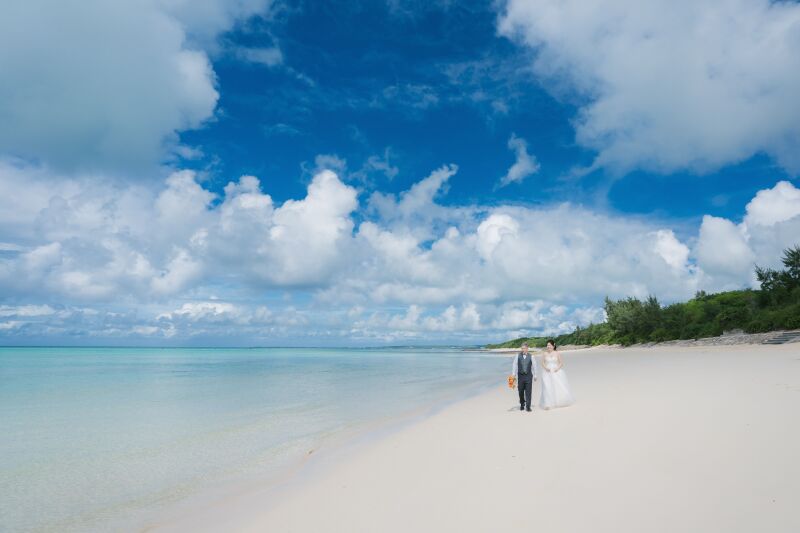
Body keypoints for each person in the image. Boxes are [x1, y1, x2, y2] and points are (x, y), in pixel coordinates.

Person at [540, 339, 574, 410]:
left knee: (558, 386)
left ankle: (560, 401)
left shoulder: (557, 353)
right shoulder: (545, 353)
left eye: (549, 345)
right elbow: (542, 363)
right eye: (547, 345)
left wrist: (557, 369)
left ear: (553, 345)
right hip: (547, 372)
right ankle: (548, 403)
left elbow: (561, 363)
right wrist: (546, 368)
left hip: (556, 371)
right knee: (547, 387)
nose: (548, 346)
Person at [510, 342, 538, 411]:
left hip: (528, 376)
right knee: (520, 391)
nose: (523, 350)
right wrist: (513, 374)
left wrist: (535, 375)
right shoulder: (517, 356)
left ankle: (528, 406)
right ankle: (522, 404)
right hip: (520, 376)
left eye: (524, 348)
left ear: (527, 349)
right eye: (522, 348)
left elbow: (534, 366)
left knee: (528, 392)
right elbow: (514, 365)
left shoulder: (531, 356)